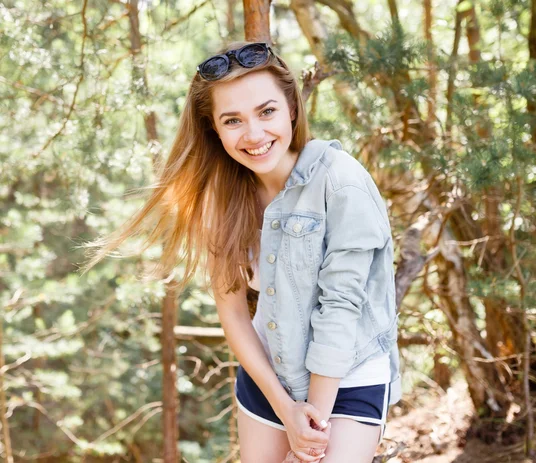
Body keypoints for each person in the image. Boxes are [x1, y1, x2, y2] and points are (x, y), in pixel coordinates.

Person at [82, 41, 401, 462]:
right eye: (232, 120)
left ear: (291, 107)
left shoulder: (342, 182)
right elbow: (232, 312)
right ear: (213, 127)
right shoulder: (222, 196)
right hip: (267, 382)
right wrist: (286, 409)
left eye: (266, 111)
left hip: (346, 380)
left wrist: (311, 429)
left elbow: (339, 309)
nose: (253, 134)